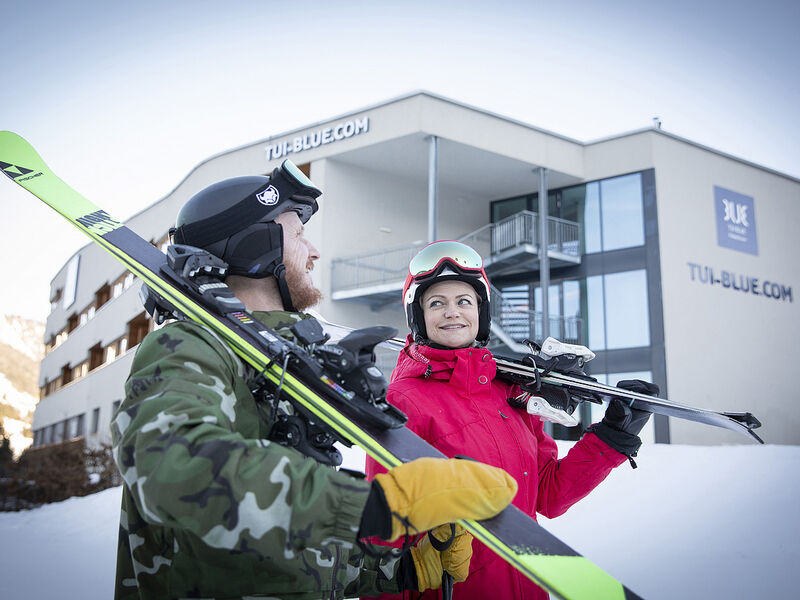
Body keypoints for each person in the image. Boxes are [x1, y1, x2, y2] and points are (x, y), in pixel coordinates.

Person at [110, 163, 519, 600]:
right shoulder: (191, 345)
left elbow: (286, 544)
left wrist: (402, 570)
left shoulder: (279, 362)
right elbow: (170, 465)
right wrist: (373, 508)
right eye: (298, 234)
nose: (313, 251)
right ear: (258, 245)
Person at [365, 240, 658, 600]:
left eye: (464, 301)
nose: (452, 312)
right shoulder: (403, 400)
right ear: (419, 316)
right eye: (436, 303)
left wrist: (611, 438)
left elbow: (548, 494)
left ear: (480, 312)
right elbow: (383, 535)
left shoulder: (509, 393)